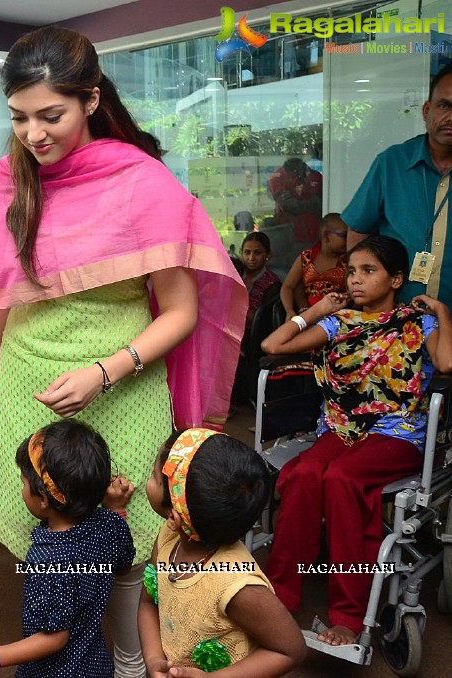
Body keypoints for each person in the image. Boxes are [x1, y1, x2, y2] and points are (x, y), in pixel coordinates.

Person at [0, 26, 246, 677]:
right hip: (27, 388)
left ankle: (126, 657)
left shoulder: (140, 183)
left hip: (122, 384)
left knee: (129, 538)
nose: (33, 133)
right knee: (46, 527)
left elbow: (180, 311)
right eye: (19, 116)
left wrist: (104, 371)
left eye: (50, 115)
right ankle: (68, 649)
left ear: (89, 99)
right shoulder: (8, 183)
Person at [261, 235, 452, 646]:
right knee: (306, 474)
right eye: (351, 272)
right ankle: (281, 593)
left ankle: (348, 616)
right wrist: (316, 310)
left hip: (397, 434)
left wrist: (442, 311)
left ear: (397, 278)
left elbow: (447, 363)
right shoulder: (338, 323)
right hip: (342, 429)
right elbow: (272, 346)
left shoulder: (419, 323)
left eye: (369, 271)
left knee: (343, 480)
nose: (355, 281)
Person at [0, 421, 135, 677]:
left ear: (44, 499)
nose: (22, 489)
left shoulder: (48, 558)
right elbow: (123, 568)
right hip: (95, 665)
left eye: (24, 483)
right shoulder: (110, 524)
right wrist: (115, 508)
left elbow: (55, 637)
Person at [137, 428, 305, 676]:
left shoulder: (236, 585)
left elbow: (290, 650)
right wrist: (153, 660)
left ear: (174, 516)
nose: (147, 480)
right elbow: (148, 602)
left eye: (153, 476)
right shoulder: (168, 539)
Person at [343, 61, 452, 306]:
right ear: (426, 111)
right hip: (395, 324)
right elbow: (359, 232)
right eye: (445, 106)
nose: (450, 118)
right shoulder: (391, 163)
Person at [279, 213, 348, 320]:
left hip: (337, 318)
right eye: (344, 236)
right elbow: (287, 287)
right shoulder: (306, 257)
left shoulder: (347, 261)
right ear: (326, 236)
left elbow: (352, 292)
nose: (349, 240)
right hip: (308, 316)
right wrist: (290, 311)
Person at [268, 157, 323, 246]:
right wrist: (313, 202)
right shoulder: (276, 178)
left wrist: (297, 203)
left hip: (314, 235)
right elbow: (288, 206)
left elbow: (322, 204)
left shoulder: (316, 176)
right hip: (288, 236)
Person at [240, 232, 281, 330]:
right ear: (241, 252)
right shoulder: (235, 272)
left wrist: (235, 304)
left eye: (257, 253)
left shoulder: (272, 283)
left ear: (268, 255)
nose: (251, 258)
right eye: (247, 252)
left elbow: (262, 321)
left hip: (251, 336)